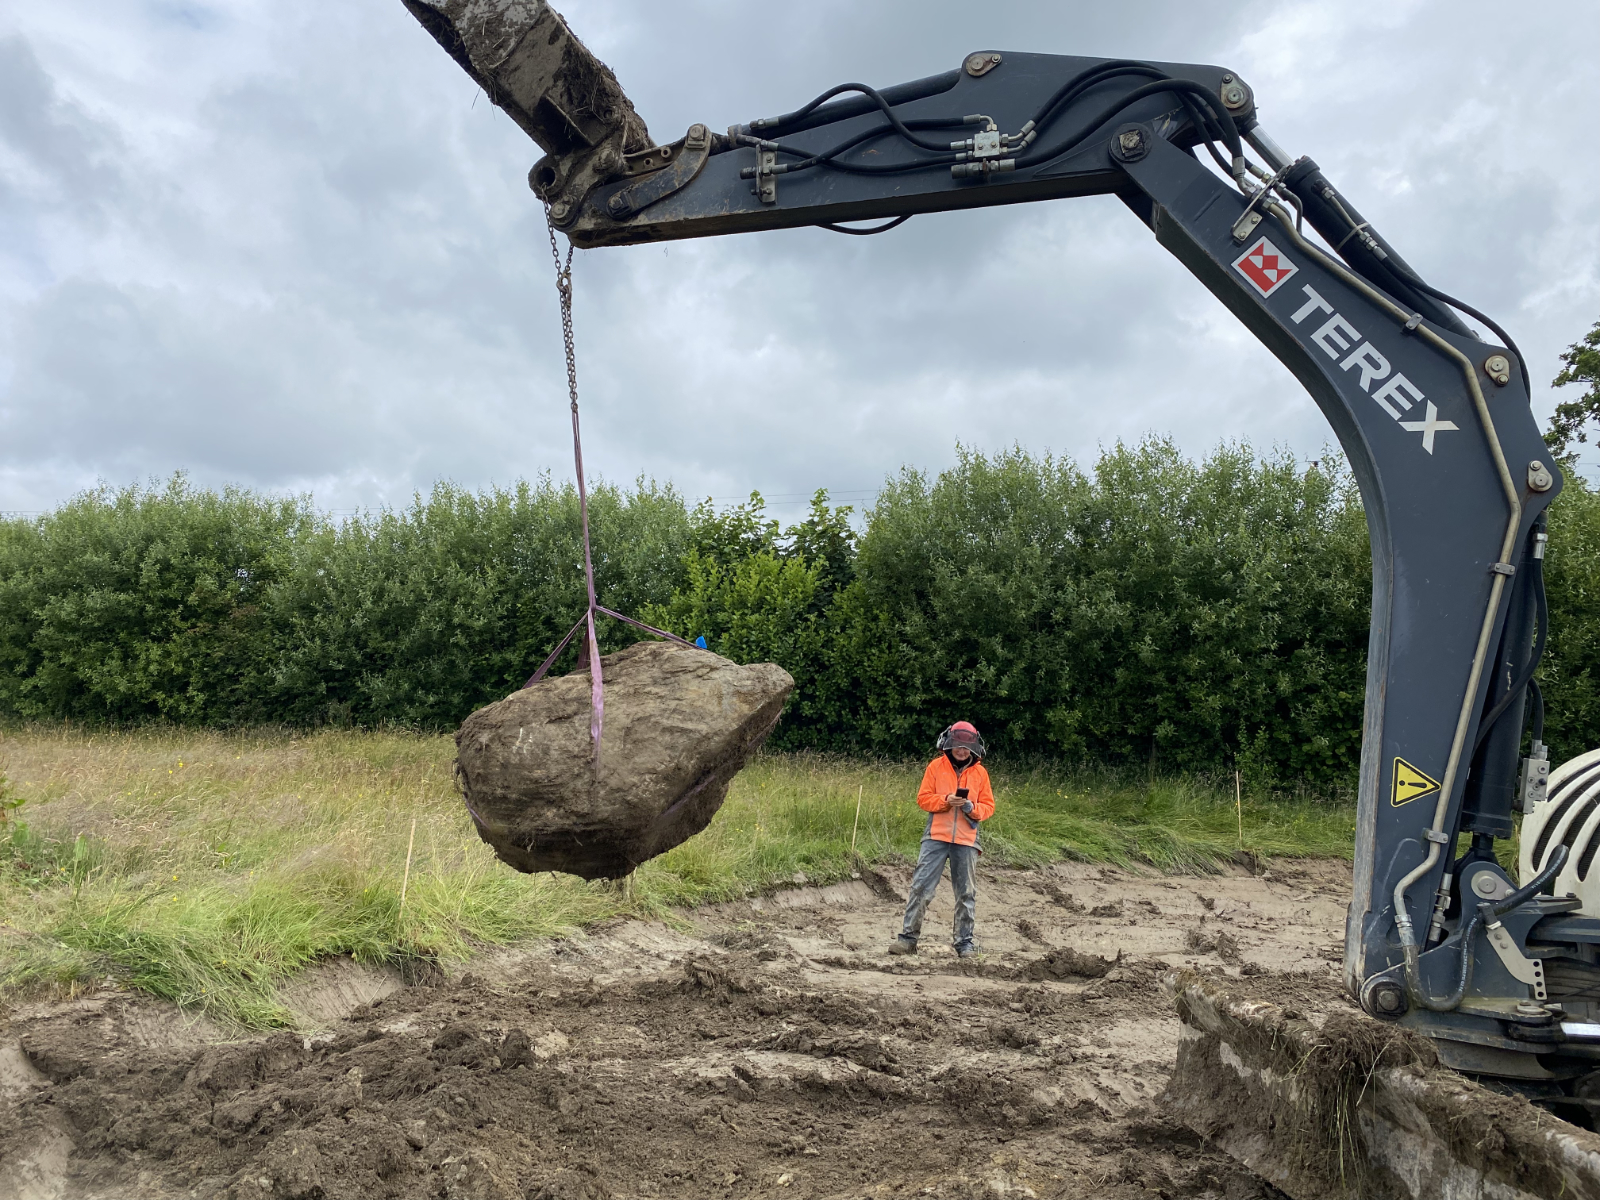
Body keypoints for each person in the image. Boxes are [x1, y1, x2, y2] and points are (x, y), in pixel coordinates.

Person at [888, 721, 995, 959]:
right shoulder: (935, 767)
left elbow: (988, 807)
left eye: (967, 747)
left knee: (966, 893)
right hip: (936, 835)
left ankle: (964, 943)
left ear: (974, 748)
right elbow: (923, 799)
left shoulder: (980, 773)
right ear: (948, 744)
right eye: (958, 745)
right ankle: (907, 940)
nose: (962, 750)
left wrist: (970, 807)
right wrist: (946, 800)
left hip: (967, 839)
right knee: (921, 887)